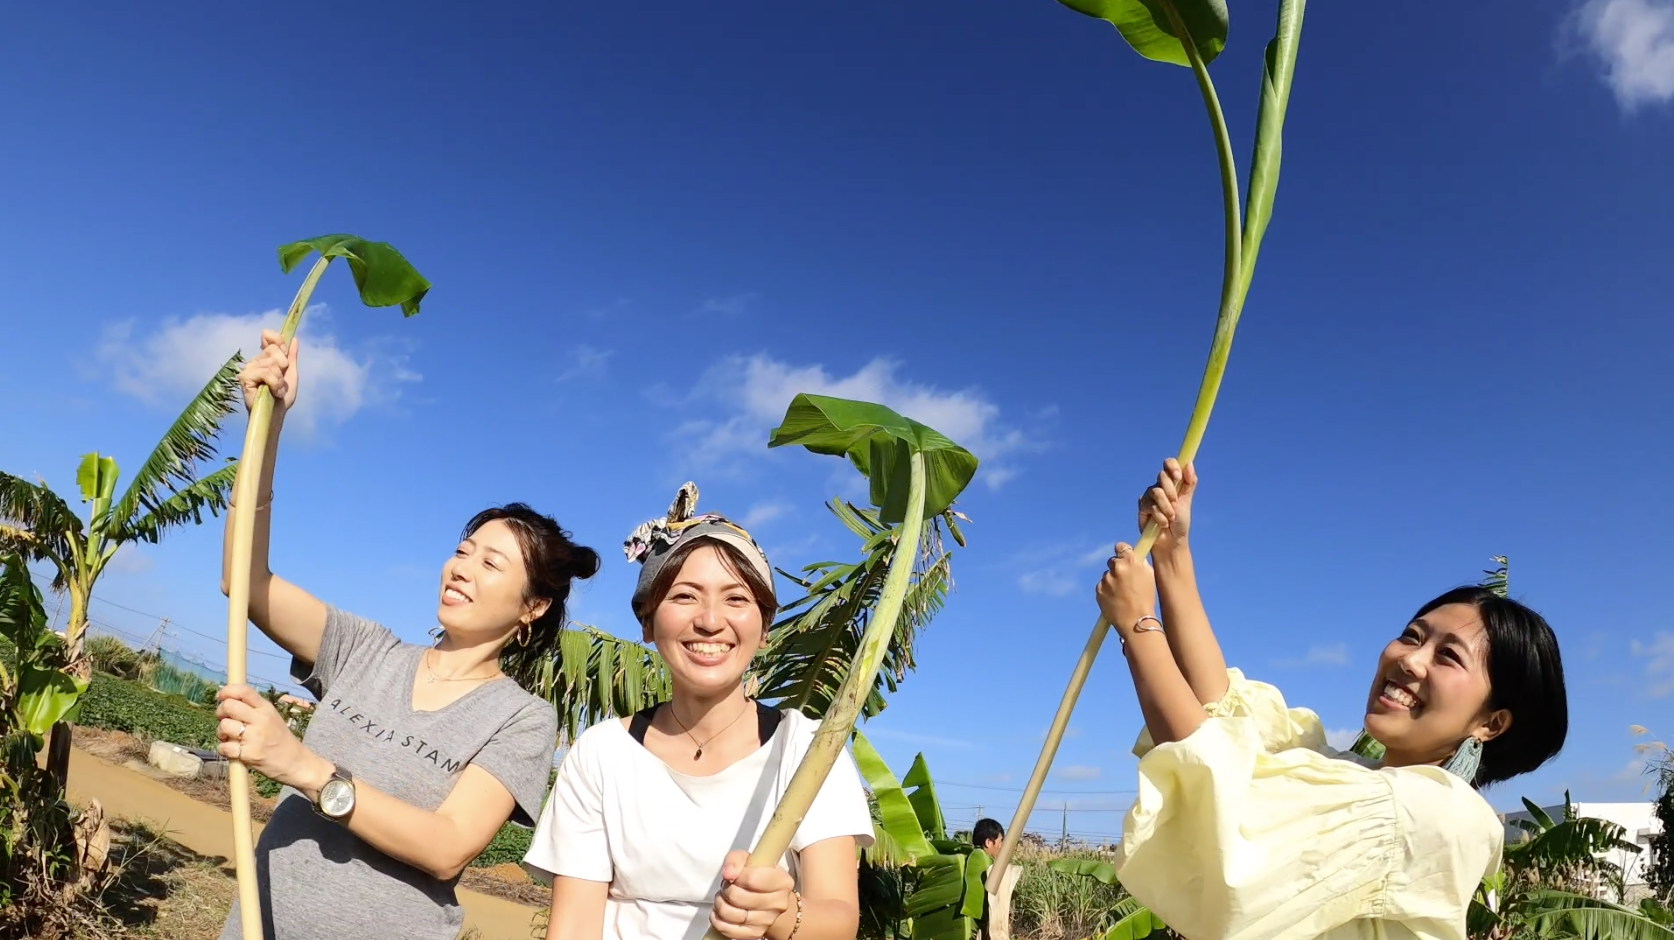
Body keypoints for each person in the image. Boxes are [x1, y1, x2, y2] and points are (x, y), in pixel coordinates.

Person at [214, 330, 600, 940]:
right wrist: (268, 426)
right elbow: (245, 580)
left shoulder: (520, 719)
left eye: (490, 564)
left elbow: (448, 846)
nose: (460, 568)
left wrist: (303, 766)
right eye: (461, 551)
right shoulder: (364, 651)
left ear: (532, 608)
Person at [1095, 458, 1568, 940]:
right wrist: (1173, 552)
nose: (1410, 660)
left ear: (1491, 724)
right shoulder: (1349, 778)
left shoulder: (1437, 816)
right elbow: (1221, 708)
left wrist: (1139, 625)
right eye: (1412, 635)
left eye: (1448, 656)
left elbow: (1224, 811)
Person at [524, 483, 874, 940]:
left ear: (764, 627)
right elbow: (572, 928)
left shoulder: (809, 749)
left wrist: (780, 912)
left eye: (736, 599)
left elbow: (839, 921)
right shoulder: (600, 755)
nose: (710, 620)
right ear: (648, 622)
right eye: (685, 596)